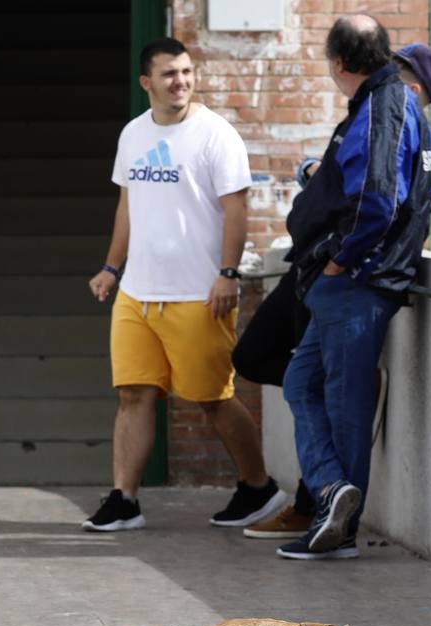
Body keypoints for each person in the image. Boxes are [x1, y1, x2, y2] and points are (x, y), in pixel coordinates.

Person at [233, 40, 431, 542]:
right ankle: (331, 489)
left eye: (393, 70)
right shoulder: (383, 112)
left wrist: (340, 260)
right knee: (301, 383)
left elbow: (379, 202)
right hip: (333, 278)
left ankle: (339, 527)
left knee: (344, 402)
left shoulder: (390, 108)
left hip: (352, 280)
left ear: (409, 84)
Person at [82, 37, 286, 533]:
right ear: (146, 82)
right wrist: (111, 268)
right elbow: (128, 206)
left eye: (187, 72)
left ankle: (258, 487)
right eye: (170, 74)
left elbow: (237, 210)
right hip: (137, 293)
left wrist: (228, 273)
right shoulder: (133, 134)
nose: (182, 81)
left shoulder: (216, 135)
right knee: (132, 394)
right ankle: (124, 499)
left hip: (199, 293)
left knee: (213, 396)